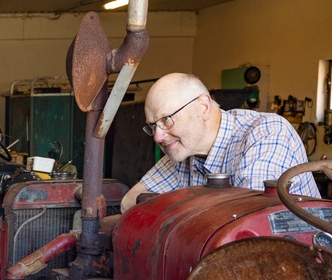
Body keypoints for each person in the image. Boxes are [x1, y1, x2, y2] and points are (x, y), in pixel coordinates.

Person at [121, 72, 320, 212]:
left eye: (166, 120)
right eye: (153, 126)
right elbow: (129, 202)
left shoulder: (266, 133)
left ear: (203, 107)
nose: (157, 137)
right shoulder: (184, 151)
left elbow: (248, 221)